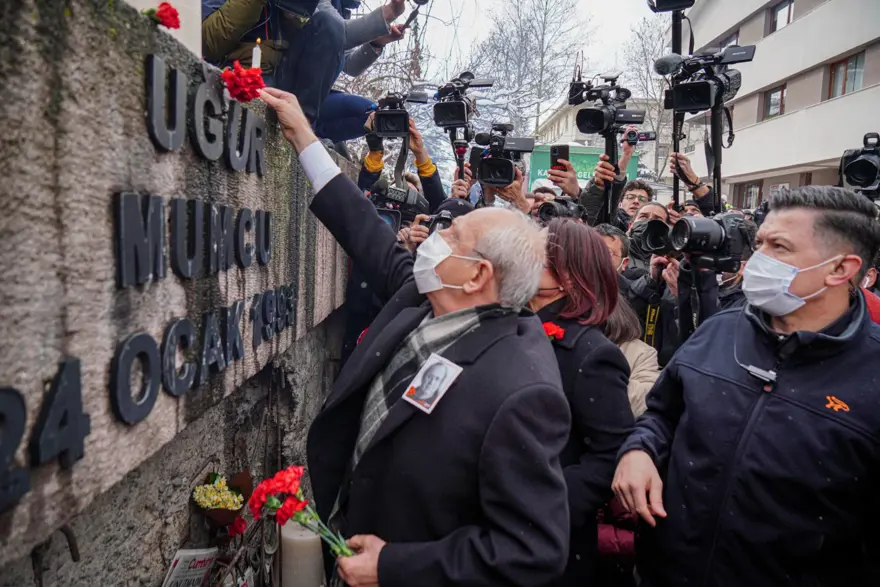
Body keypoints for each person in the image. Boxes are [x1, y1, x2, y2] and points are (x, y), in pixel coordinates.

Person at [259, 87, 572, 587]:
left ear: (477, 277)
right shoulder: (422, 296)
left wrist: (395, 567)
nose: (434, 236)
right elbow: (361, 226)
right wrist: (303, 135)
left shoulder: (520, 389)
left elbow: (530, 550)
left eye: (453, 236)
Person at [613, 185, 880, 586]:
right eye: (758, 243)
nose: (757, 260)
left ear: (840, 269)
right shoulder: (719, 331)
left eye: (779, 247)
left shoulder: (871, 376)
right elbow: (663, 413)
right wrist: (639, 450)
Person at [528, 219, 634, 587]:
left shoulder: (592, 355)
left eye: (535, 256)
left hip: (547, 541)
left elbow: (611, 454)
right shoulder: (510, 324)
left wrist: (541, 504)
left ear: (569, 277)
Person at [202, 0, 406, 143]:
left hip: (296, 90)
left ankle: (303, 129)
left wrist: (376, 43)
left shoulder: (327, 7)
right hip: (250, 78)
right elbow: (208, 43)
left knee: (370, 112)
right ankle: (307, 131)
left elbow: (340, 44)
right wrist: (385, 15)